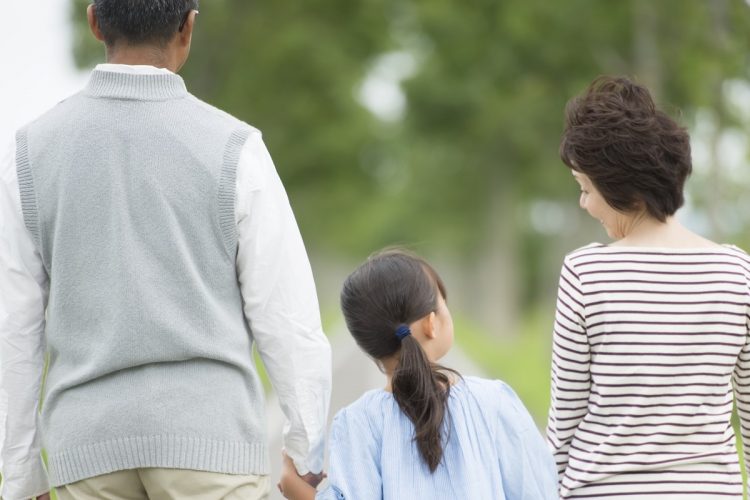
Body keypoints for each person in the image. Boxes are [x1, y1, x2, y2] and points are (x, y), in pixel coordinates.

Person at [0, 1, 332, 498]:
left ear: (93, 22)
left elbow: (13, 328)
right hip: (211, 449)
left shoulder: (28, 154)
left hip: (85, 453)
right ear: (187, 28)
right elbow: (286, 317)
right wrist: (306, 450)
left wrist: (23, 476)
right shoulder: (236, 148)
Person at [546, 75, 750, 498]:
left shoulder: (585, 273)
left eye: (586, 189)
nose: (584, 204)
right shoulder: (738, 273)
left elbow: (565, 422)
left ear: (621, 187)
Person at [279, 249, 558, 499]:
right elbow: (539, 489)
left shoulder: (357, 423)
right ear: (432, 324)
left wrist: (302, 496)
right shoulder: (494, 401)